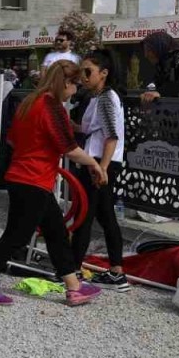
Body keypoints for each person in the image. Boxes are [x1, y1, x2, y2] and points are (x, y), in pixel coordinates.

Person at [0, 61, 107, 308]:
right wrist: (95, 165)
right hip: (34, 179)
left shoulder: (29, 103)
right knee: (17, 236)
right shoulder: (52, 108)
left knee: (55, 232)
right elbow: (70, 148)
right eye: (75, 85)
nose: (75, 91)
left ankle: (73, 287)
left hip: (24, 176)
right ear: (66, 83)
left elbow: (12, 141)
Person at [70, 50, 130, 292]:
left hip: (100, 161)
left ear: (103, 74)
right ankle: (116, 270)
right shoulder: (96, 97)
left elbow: (111, 136)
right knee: (105, 216)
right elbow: (89, 129)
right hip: (97, 159)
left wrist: (102, 167)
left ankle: (72, 269)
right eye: (82, 71)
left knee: (85, 214)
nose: (84, 76)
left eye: (88, 71)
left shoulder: (106, 97)